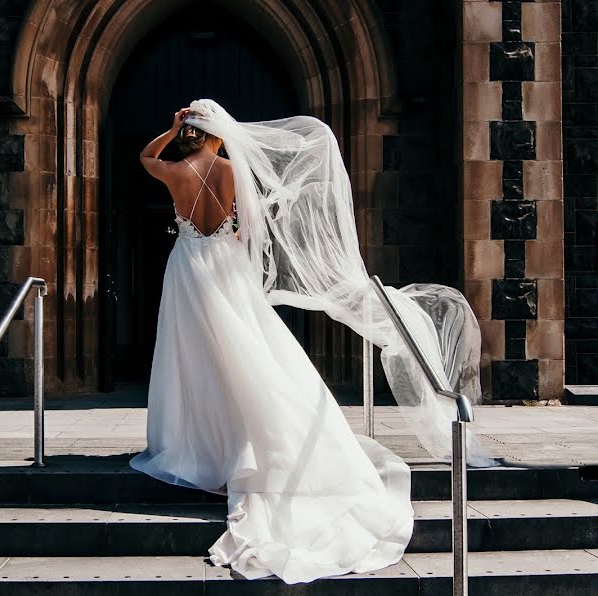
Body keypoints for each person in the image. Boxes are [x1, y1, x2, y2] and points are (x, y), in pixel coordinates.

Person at [128, 99, 496, 584]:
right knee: (247, 352)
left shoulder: (174, 170)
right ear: (221, 134)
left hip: (187, 269)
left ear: (190, 132)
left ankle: (200, 442)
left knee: (192, 358)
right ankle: (249, 438)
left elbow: (144, 159)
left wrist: (170, 127)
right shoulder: (234, 170)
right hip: (227, 267)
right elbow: (249, 232)